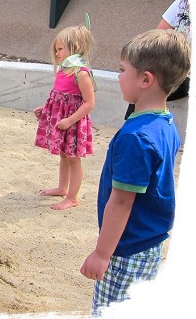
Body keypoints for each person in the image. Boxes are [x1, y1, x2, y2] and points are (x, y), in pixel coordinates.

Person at [80, 29, 191, 315]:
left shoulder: (136, 137)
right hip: (149, 242)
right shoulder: (166, 123)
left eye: (122, 70)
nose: (117, 76)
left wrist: (102, 254)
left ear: (145, 79)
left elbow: (121, 200)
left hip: (126, 248)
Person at [34, 25, 96, 210]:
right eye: (56, 50)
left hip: (73, 123)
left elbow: (89, 103)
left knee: (73, 158)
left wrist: (70, 120)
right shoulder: (63, 70)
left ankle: (72, 197)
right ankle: (63, 187)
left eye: (60, 49)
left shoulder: (81, 73)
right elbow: (58, 97)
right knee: (63, 155)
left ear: (74, 47)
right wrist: (45, 110)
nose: (57, 53)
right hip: (61, 121)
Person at [124, 0, 190, 119]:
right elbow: (158, 39)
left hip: (185, 74)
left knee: (149, 83)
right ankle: (131, 123)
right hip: (170, 66)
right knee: (142, 77)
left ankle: (138, 126)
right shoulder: (180, 5)